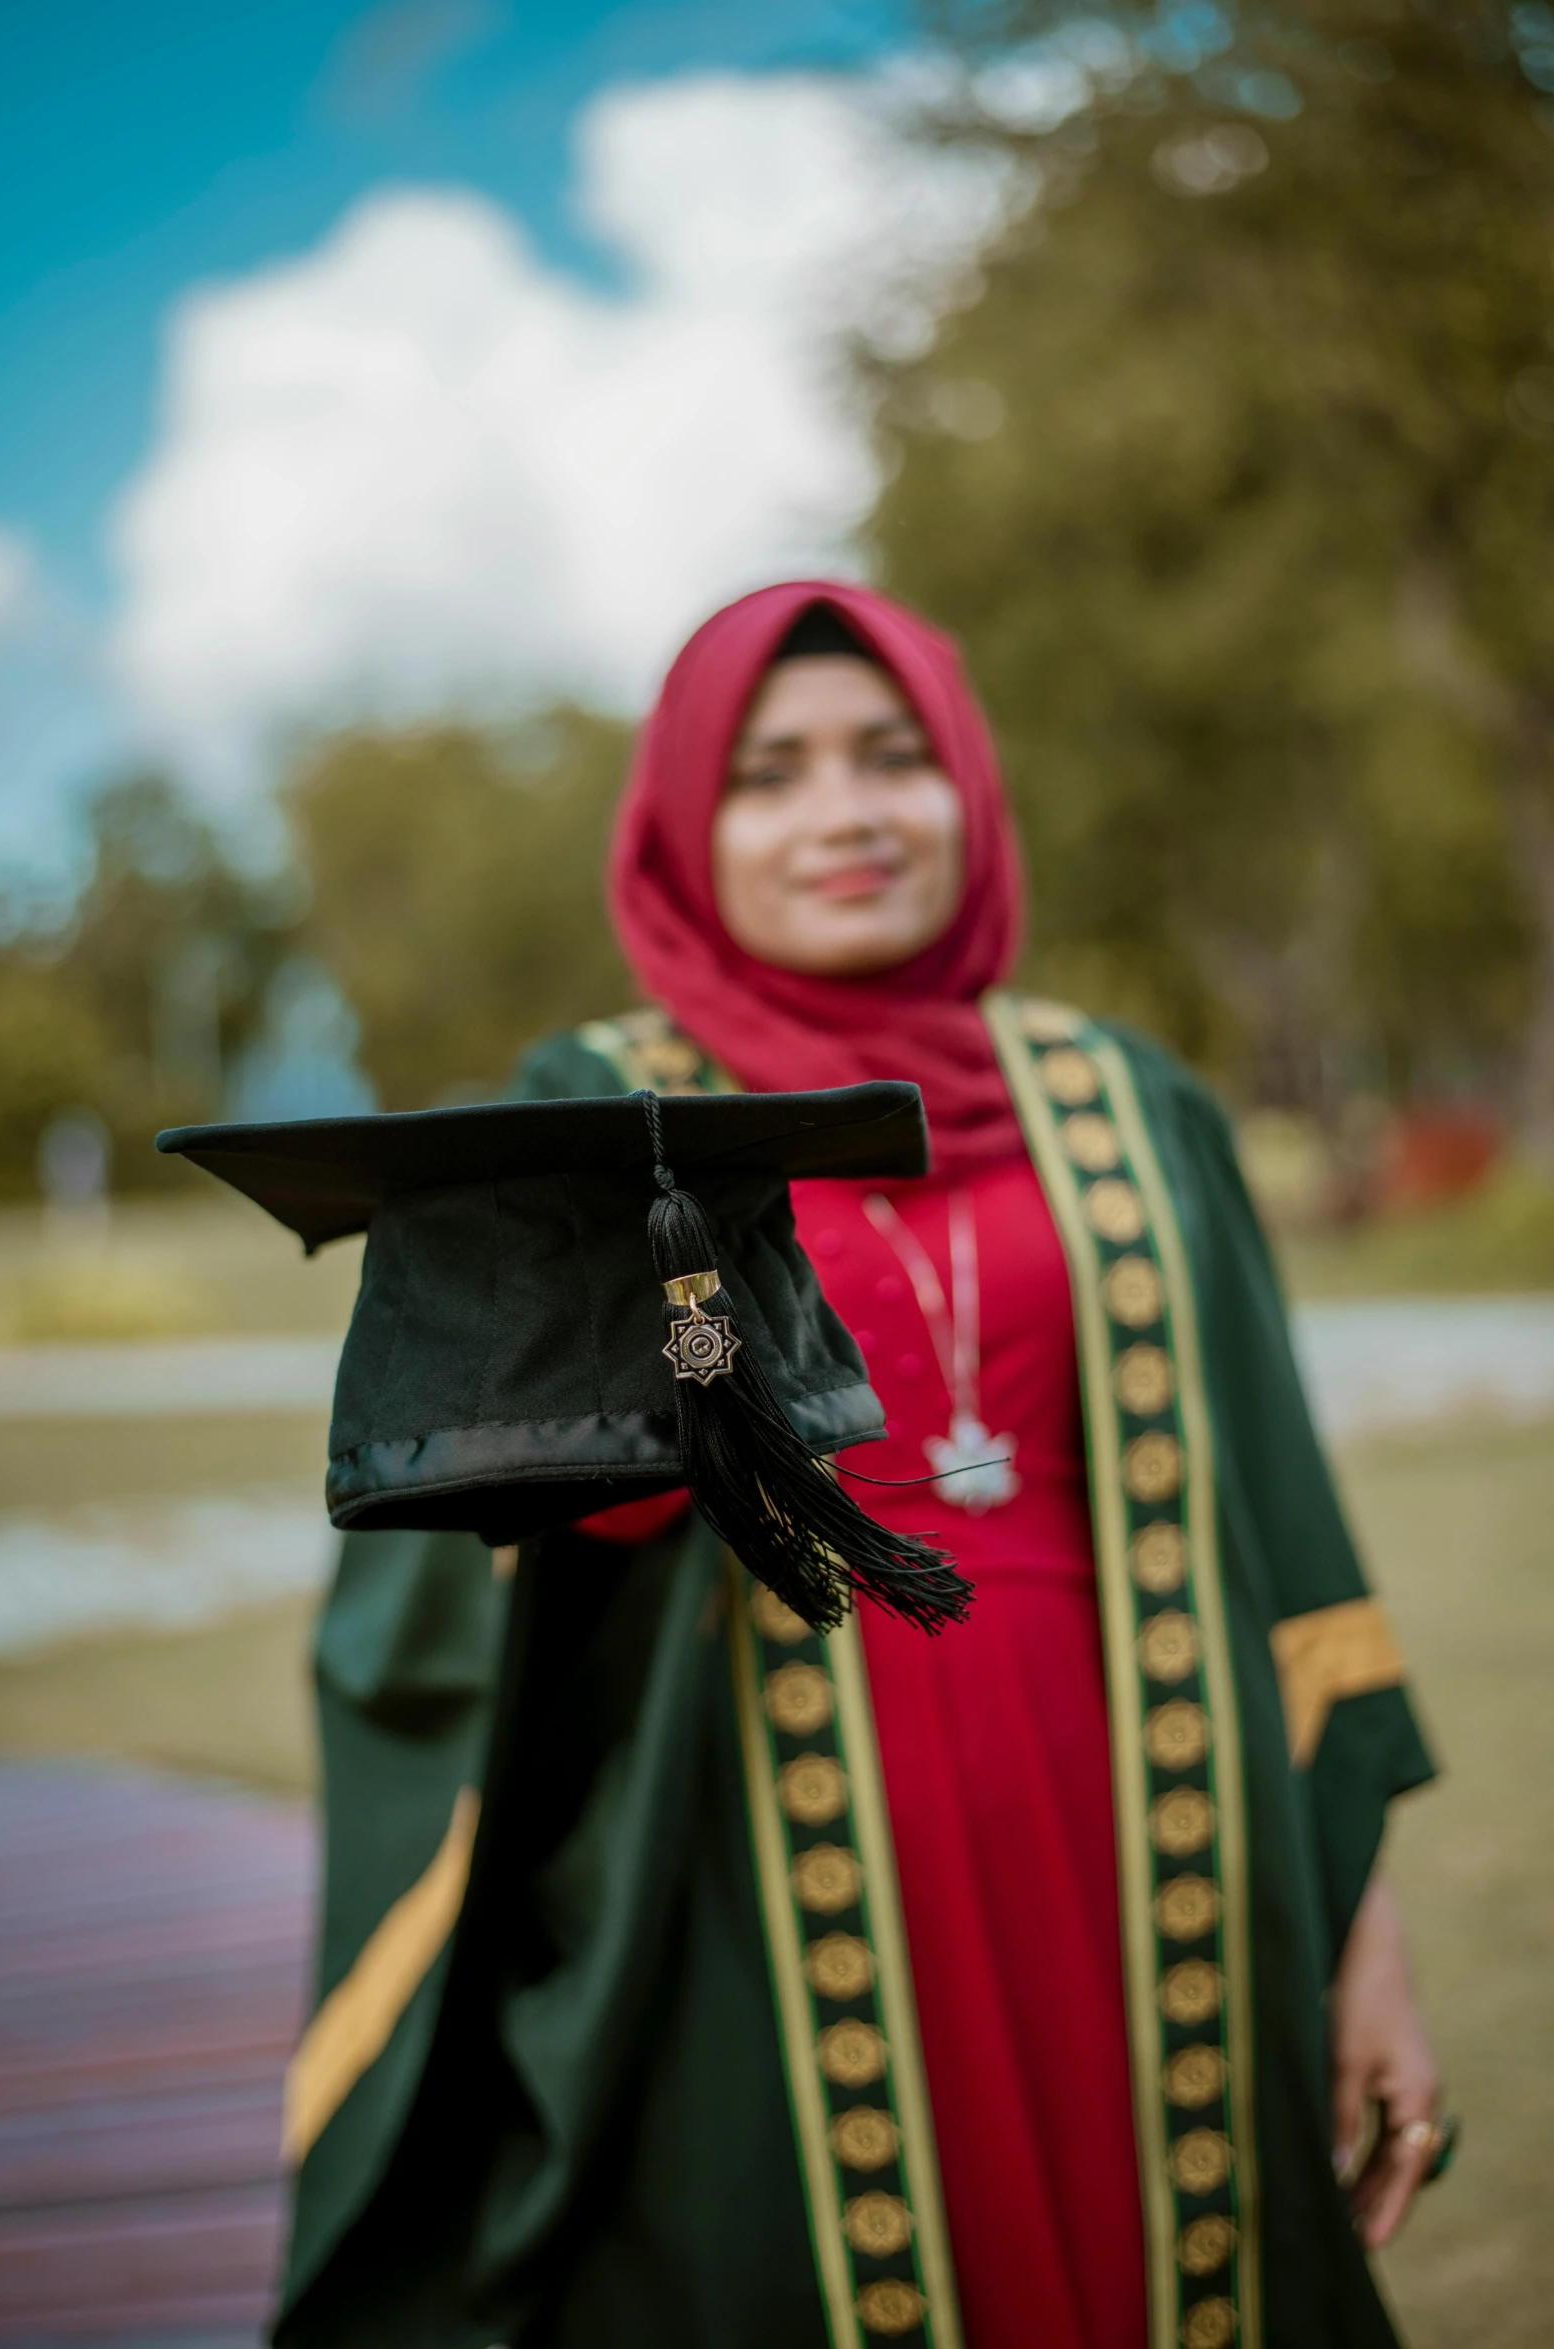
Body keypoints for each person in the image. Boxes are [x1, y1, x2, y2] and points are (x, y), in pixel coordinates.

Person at [273, 583, 1444, 2349]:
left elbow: (1281, 1542)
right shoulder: (597, 1109)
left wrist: (1368, 1939)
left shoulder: (1136, 1108)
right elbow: (452, 1588)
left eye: (895, 759)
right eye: (772, 775)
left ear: (966, 789)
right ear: (684, 823)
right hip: (760, 1875)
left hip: (1151, 1852)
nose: (847, 814)